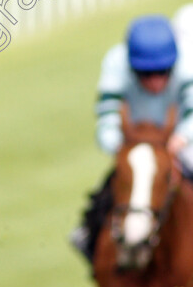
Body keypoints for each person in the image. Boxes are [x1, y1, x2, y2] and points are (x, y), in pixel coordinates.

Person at [71, 13, 193, 263]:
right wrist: (122, 148)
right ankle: (88, 237)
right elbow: (107, 120)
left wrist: (181, 137)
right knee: (108, 194)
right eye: (146, 74)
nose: (156, 82)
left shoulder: (186, 66)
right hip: (134, 144)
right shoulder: (116, 64)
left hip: (175, 143)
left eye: (162, 72)